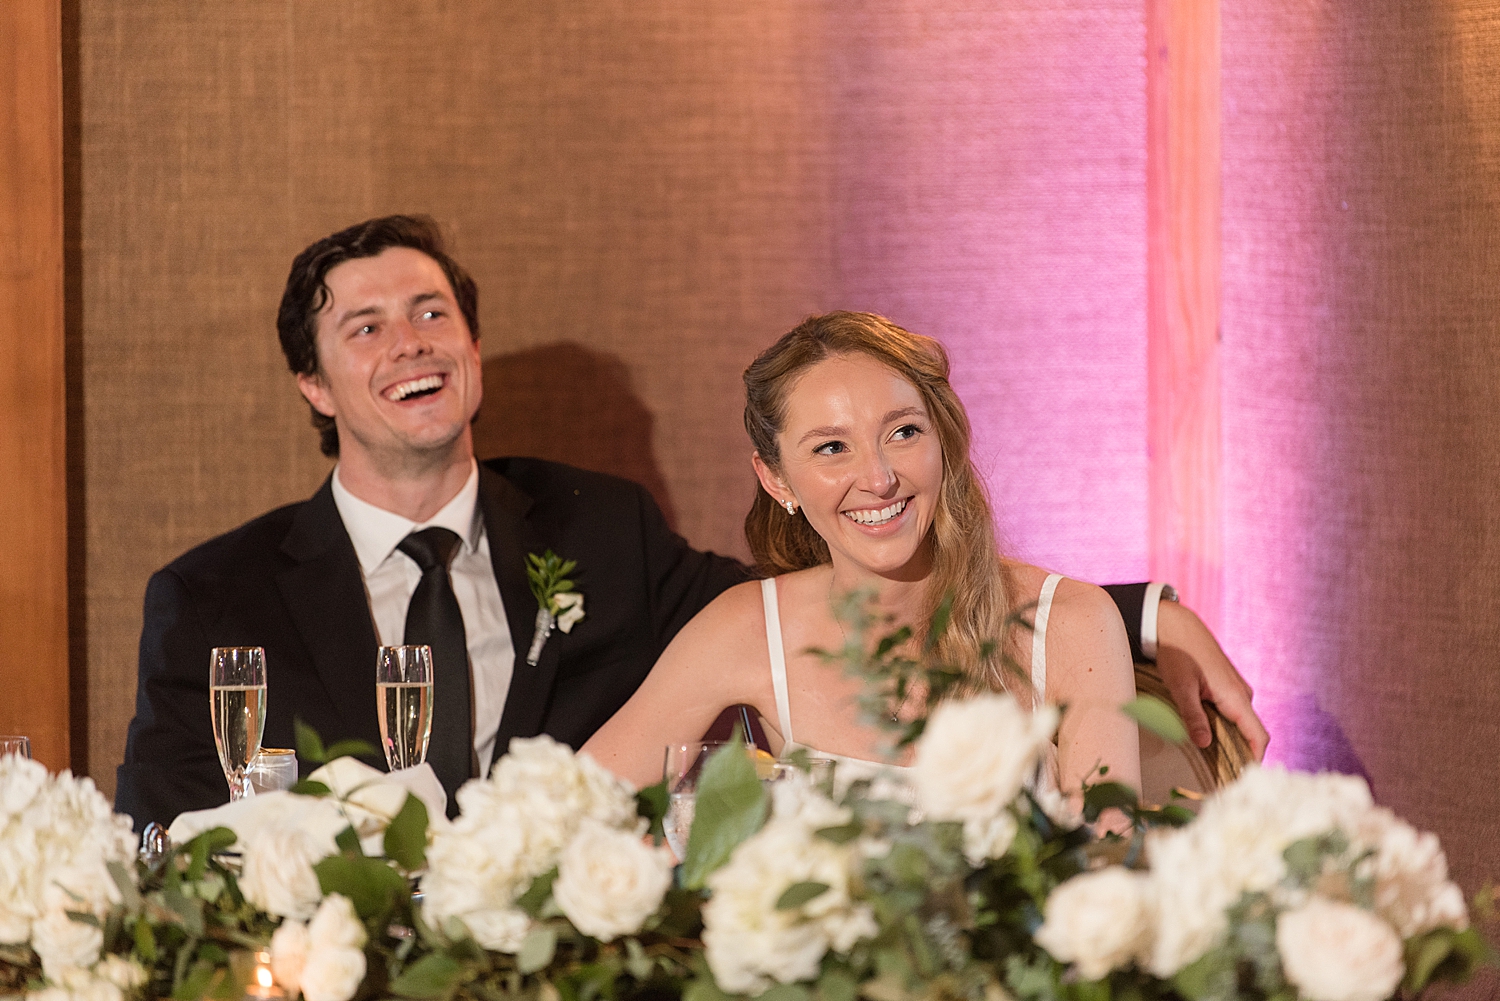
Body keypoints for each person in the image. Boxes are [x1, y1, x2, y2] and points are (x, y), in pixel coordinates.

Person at [115, 215, 1263, 830]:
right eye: (364, 326)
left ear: (472, 343)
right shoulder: (214, 592)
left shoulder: (601, 527)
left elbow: (881, 581)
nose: (410, 338)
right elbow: (165, 831)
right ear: (312, 384)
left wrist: (1135, 610)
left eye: (432, 310)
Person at [585, 313, 1129, 798]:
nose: (878, 478)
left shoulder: (1073, 624)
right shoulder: (747, 628)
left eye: (903, 432)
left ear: (945, 442)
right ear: (776, 480)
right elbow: (565, 811)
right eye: (831, 448)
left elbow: (1111, 864)